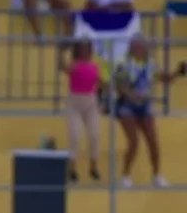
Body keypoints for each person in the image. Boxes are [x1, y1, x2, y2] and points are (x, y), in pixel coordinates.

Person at [114, 36, 186, 188]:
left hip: (145, 106)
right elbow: (119, 86)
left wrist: (178, 72)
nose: (145, 50)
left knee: (153, 140)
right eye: (142, 47)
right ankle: (125, 176)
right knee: (134, 141)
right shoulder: (123, 64)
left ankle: (156, 176)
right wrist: (131, 95)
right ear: (134, 49)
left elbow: (165, 79)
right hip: (127, 106)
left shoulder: (151, 64)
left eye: (146, 48)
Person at [60, 40, 102, 182]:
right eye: (82, 49)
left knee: (95, 135)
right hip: (75, 104)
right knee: (75, 136)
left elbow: (100, 83)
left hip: (90, 102)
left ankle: (93, 167)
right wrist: (61, 52)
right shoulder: (74, 65)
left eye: (87, 49)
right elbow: (64, 67)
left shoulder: (94, 66)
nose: (85, 51)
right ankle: (72, 168)